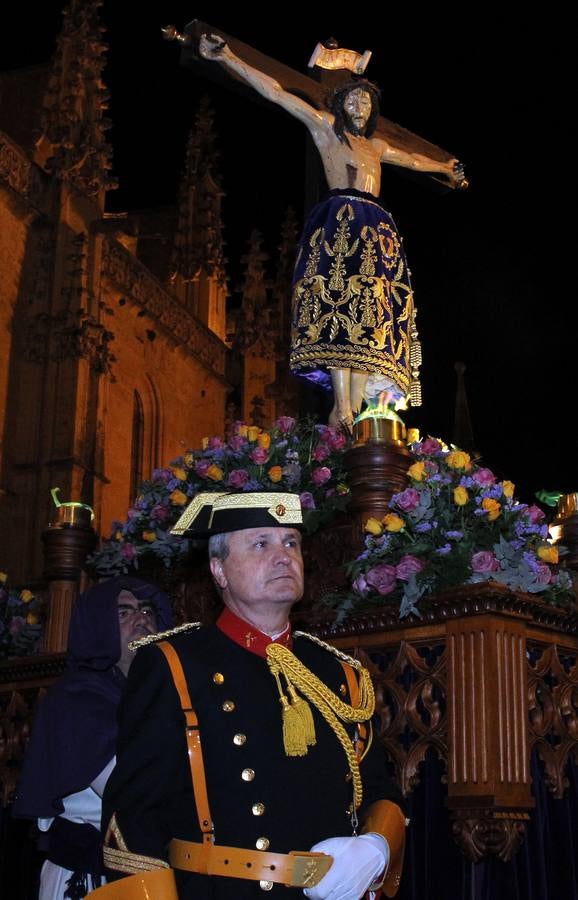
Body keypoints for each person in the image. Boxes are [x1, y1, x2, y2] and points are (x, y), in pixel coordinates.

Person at [97, 492, 407, 900]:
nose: (283, 557)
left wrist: (377, 848)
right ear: (219, 570)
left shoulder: (340, 672)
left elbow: (380, 790)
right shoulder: (174, 664)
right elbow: (132, 823)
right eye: (261, 543)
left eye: (291, 543)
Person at [198, 35, 465, 427]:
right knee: (340, 305)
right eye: (353, 100)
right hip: (343, 220)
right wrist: (229, 56)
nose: (360, 106)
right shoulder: (326, 129)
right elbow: (275, 92)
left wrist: (445, 169)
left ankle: (354, 410)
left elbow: (412, 159)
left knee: (369, 314)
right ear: (340, 104)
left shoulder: (376, 146)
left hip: (378, 232)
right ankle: (340, 405)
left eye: (366, 101)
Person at [13, 577, 173, 900]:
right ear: (97, 626)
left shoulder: (164, 696)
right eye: (124, 613)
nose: (141, 620)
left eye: (146, 611)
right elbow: (132, 791)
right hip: (87, 881)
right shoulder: (77, 701)